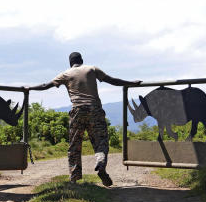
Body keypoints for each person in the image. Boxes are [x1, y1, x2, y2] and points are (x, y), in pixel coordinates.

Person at [28, 52, 138, 186]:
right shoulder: (92, 69)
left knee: (74, 145)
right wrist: (131, 83)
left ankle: (74, 179)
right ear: (82, 60)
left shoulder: (66, 74)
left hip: (77, 111)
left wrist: (29, 88)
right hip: (95, 110)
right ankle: (101, 161)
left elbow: (45, 85)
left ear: (70, 63)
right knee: (101, 141)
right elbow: (112, 80)